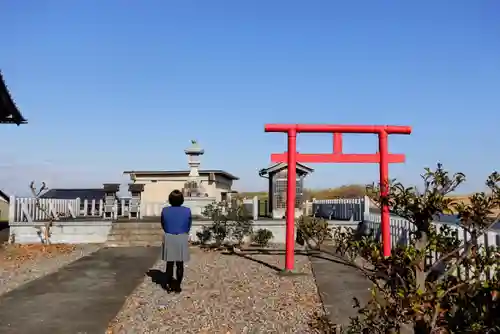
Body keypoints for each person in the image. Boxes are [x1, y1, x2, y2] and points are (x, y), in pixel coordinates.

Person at [160, 189, 192, 293]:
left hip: (169, 236)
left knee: (169, 264)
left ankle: (168, 285)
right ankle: (177, 286)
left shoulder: (165, 210)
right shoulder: (187, 210)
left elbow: (163, 224)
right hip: (182, 236)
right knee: (180, 264)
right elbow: (189, 224)